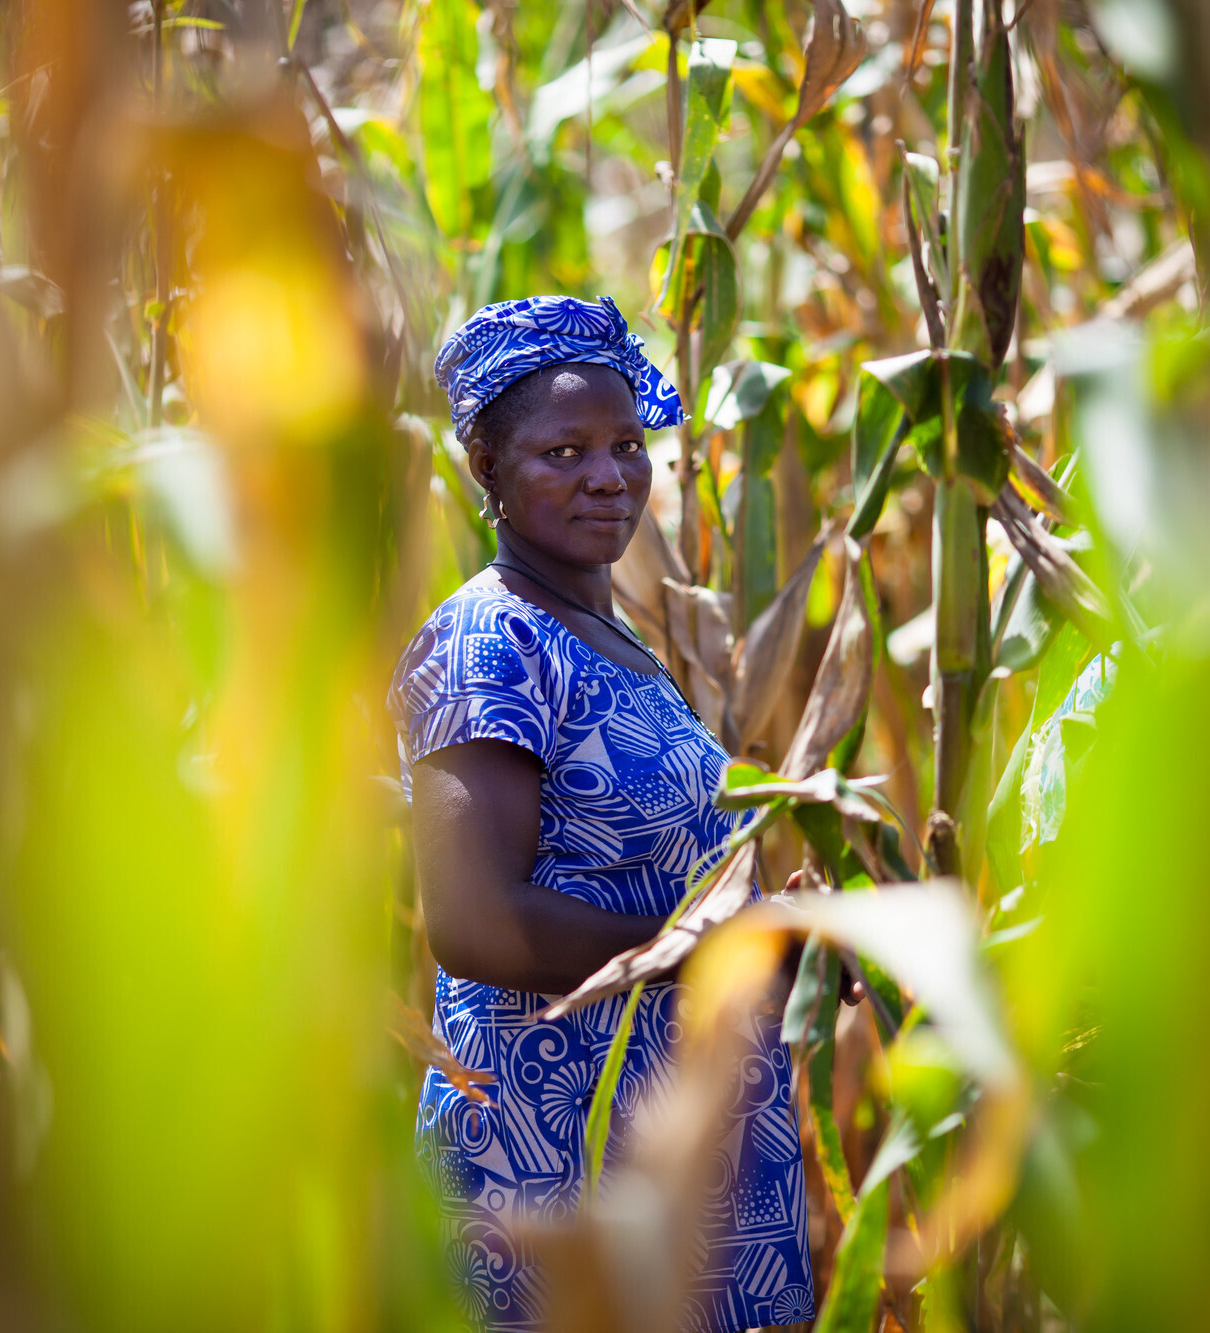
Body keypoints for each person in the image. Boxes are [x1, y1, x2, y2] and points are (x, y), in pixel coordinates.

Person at [388, 296, 814, 1332]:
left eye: (627, 444)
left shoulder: (603, 636)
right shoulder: (489, 642)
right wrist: (717, 944)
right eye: (563, 450)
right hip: (560, 1171)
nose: (609, 475)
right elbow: (476, 920)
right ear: (486, 467)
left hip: (667, 1162)